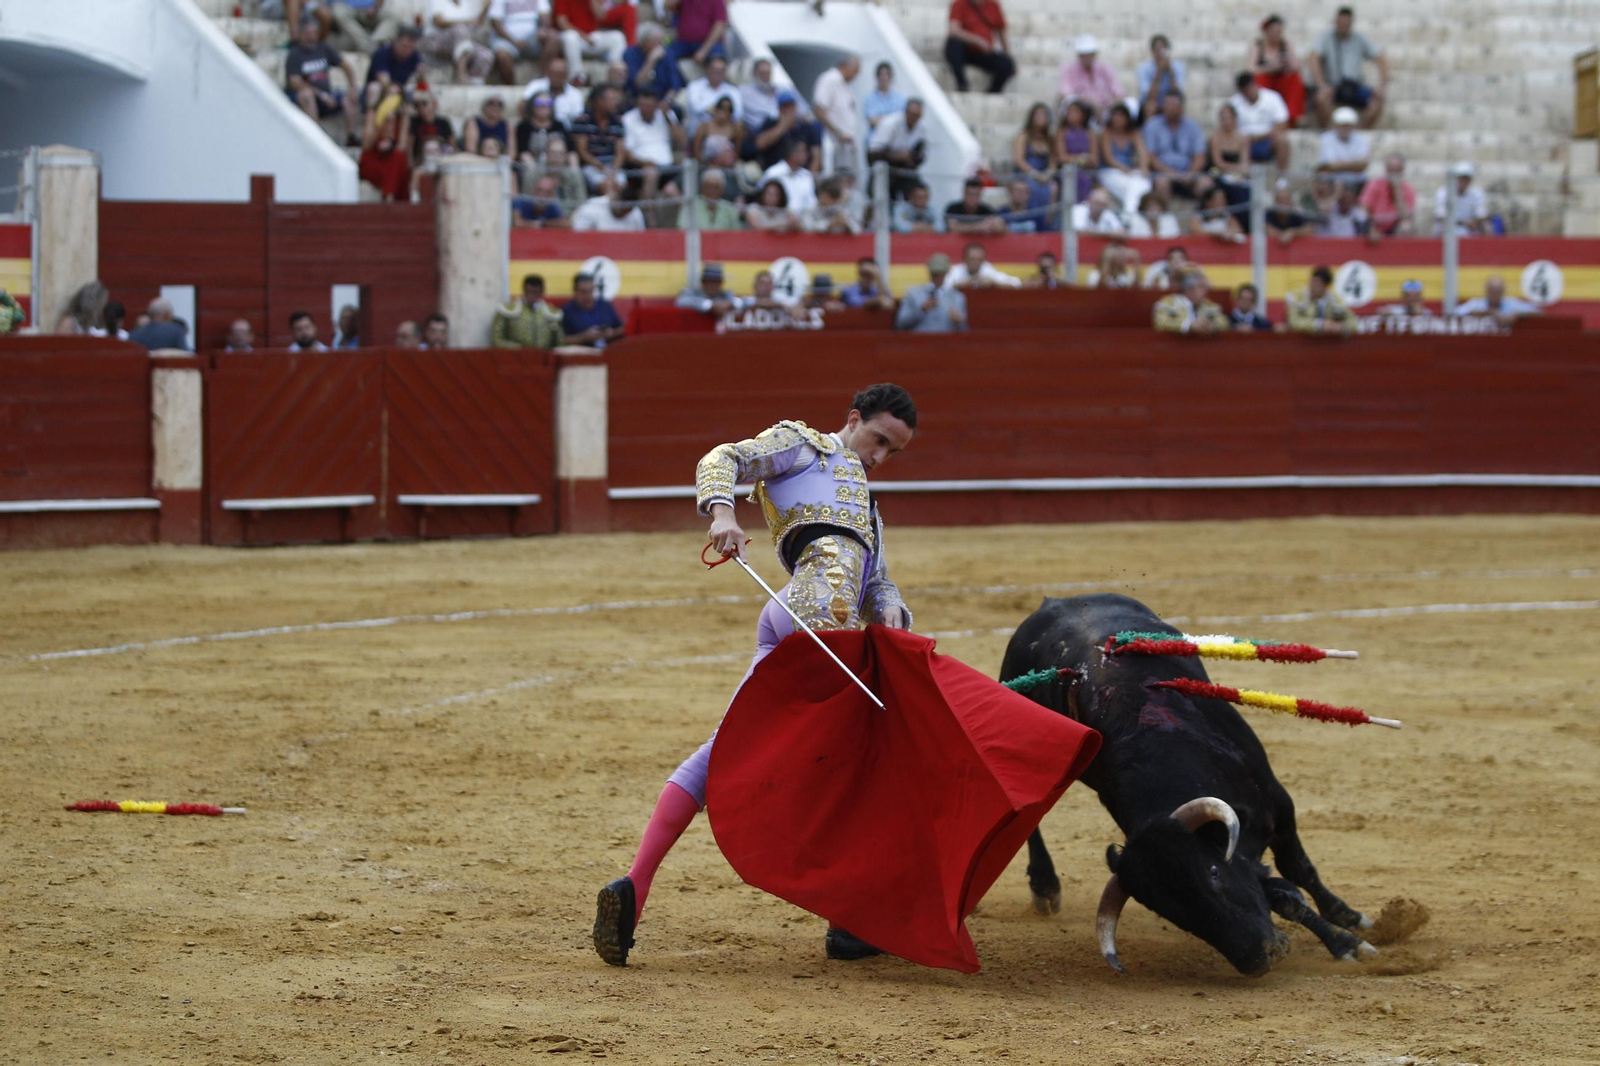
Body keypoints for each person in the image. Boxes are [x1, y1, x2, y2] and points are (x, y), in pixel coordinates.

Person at [592, 384, 919, 967]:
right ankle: (849, 919)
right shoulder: (804, 446)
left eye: (894, 451)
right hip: (811, 616)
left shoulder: (867, 502)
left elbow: (875, 579)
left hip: (804, 615)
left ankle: (634, 887)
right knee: (859, 763)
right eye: (879, 440)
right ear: (854, 420)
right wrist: (723, 512)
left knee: (727, 748)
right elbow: (722, 457)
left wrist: (891, 608)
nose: (880, 457)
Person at [1309, 5, 1388, 128]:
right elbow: (1313, 59)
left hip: (1355, 86)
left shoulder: (1360, 38)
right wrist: (1321, 84)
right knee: (1320, 98)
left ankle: (1361, 131)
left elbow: (1380, 58)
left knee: (1379, 98)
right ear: (1336, 22)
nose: (1344, 26)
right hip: (1334, 86)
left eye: (1347, 23)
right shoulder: (1325, 37)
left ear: (1351, 23)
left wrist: (1382, 84)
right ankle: (1330, 132)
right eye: (1341, 23)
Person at [286, 17, 360, 143]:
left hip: (327, 97)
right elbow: (295, 82)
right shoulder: (295, 54)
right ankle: (317, 135)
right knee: (306, 94)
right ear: (301, 34)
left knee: (349, 97)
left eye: (314, 33)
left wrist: (352, 87)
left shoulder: (324, 48)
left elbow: (346, 67)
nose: (311, 37)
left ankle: (351, 135)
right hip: (307, 98)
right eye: (308, 33)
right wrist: (321, 94)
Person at [622, 86, 684, 216]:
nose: (644, 109)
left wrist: (667, 117)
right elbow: (627, 154)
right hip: (639, 168)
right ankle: (649, 218)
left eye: (649, 105)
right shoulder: (628, 118)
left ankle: (682, 228)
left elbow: (681, 142)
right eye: (641, 105)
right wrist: (645, 163)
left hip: (667, 167)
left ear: (656, 105)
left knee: (673, 192)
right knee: (651, 173)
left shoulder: (667, 115)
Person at [1142, 89, 1210, 203]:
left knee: (1206, 183)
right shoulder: (1152, 125)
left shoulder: (1192, 126)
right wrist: (1169, 173)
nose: (1168, 108)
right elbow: (1151, 156)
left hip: (1188, 173)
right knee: (1161, 182)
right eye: (1166, 104)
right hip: (1163, 172)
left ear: (1181, 107)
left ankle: (1202, 218)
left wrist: (1190, 174)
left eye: (1172, 105)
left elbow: (1200, 156)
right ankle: (1166, 219)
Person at [944, 0, 1015, 93]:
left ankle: (993, 91)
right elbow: (953, 31)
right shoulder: (959, 4)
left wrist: (1007, 55)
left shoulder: (993, 6)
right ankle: (962, 83)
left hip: (984, 53)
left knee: (1006, 63)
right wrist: (977, 41)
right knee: (953, 44)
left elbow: (1001, 32)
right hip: (965, 50)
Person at [552, 0, 631, 83]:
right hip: (571, 38)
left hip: (590, 37)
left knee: (617, 37)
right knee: (570, 37)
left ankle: (614, 73)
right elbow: (562, 23)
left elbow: (601, 16)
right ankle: (576, 77)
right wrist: (585, 37)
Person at [420, 0, 494, 86]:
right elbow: (438, 21)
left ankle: (474, 83)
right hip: (435, 40)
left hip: (461, 43)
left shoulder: (466, 4)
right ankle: (461, 75)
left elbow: (476, 23)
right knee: (460, 30)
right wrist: (465, 23)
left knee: (485, 55)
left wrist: (485, 8)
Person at [1248, 15, 1305, 125]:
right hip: (1266, 81)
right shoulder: (1258, 46)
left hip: (1281, 81)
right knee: (1258, 79)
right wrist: (1269, 68)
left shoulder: (1286, 45)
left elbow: (1296, 67)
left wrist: (1286, 65)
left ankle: (1292, 116)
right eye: (1273, 31)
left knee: (1295, 79)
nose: (1276, 35)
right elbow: (1250, 69)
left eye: (1279, 31)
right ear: (1266, 31)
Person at [867, 98, 928, 201]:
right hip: (885, 167)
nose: (913, 118)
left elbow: (922, 154)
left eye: (917, 115)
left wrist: (911, 158)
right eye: (911, 114)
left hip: (906, 169)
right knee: (878, 197)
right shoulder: (890, 123)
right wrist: (895, 156)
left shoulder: (921, 127)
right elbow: (872, 152)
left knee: (918, 191)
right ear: (905, 112)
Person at [1096, 103, 1152, 211]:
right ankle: (1131, 216)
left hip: (1128, 173)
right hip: (1109, 172)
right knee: (1134, 187)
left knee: (1145, 183)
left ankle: (1129, 214)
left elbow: (1142, 153)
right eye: (1115, 116)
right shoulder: (1106, 133)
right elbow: (1109, 159)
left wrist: (1144, 167)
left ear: (1127, 118)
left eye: (1121, 116)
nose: (1117, 119)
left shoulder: (1133, 133)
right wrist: (1126, 170)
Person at [1229, 72, 1289, 170]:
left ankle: (1281, 180)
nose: (1249, 93)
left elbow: (1282, 124)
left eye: (1250, 88)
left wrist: (1260, 136)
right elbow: (1228, 126)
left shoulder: (1273, 97)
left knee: (1282, 140)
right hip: (1243, 141)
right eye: (1245, 91)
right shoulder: (1234, 102)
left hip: (1267, 139)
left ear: (1255, 84)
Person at [571, 85, 627, 191]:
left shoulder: (618, 121)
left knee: (621, 187)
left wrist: (613, 171)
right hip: (591, 166)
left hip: (613, 166)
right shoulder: (582, 121)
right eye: (612, 99)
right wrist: (601, 168)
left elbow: (620, 152)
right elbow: (582, 151)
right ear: (599, 101)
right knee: (606, 186)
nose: (616, 102)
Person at [359, 91, 413, 200]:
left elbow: (401, 147)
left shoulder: (401, 118)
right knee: (397, 160)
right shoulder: (374, 114)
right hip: (373, 162)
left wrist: (404, 117)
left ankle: (390, 196)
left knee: (399, 158)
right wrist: (381, 122)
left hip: (391, 161)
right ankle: (389, 197)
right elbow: (367, 145)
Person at [487, 0, 555, 87]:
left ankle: (543, 83)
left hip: (532, 38)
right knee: (502, 56)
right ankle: (512, 87)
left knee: (552, 38)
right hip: (506, 40)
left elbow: (545, 16)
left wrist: (543, 29)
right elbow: (495, 22)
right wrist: (514, 42)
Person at [1059, 35, 1123, 122]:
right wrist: (1089, 101)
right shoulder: (1069, 69)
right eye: (1084, 54)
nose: (1087, 57)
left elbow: (1119, 93)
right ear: (1079, 55)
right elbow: (1065, 94)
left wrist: (1106, 104)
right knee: (1071, 104)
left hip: (1105, 108)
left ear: (1094, 54)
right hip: (1081, 108)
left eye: (1090, 54)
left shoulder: (1105, 68)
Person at [896, 254, 967, 332]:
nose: (937, 276)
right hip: (918, 342)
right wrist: (921, 310)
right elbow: (900, 323)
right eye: (935, 273)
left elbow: (964, 331)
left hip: (946, 342)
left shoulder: (957, 297)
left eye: (940, 273)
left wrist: (959, 322)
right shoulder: (913, 293)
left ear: (946, 272)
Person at [812, 56, 863, 165]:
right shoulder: (829, 79)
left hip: (847, 144)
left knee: (849, 178)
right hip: (835, 142)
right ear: (847, 66)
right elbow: (819, 110)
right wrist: (838, 133)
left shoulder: (845, 85)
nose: (857, 74)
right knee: (839, 179)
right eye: (856, 70)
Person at [1012, 103, 1059, 222]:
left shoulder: (1049, 139)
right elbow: (1019, 160)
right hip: (1026, 174)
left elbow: (1053, 162)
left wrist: (1048, 174)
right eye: (1037, 114)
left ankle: (1048, 223)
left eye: (1044, 115)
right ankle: (1033, 221)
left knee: (1053, 188)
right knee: (1031, 188)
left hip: (1044, 175)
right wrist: (1035, 174)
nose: (1040, 117)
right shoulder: (1023, 136)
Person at [753, 91, 821, 172]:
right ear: (779, 109)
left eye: (791, 107)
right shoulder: (770, 124)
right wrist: (783, 126)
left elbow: (816, 155)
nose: (788, 111)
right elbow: (759, 144)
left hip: (801, 174)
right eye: (785, 107)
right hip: (775, 173)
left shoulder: (806, 128)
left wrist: (810, 178)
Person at [493, 273, 565, 348]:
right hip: (514, 357)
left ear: (542, 292)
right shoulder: (507, 310)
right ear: (524, 290)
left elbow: (560, 342)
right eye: (529, 291)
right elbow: (496, 339)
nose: (532, 296)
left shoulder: (552, 313)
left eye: (535, 292)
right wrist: (519, 349)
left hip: (543, 357)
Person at [624, 23, 684, 108]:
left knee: (677, 110)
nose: (660, 45)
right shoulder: (630, 54)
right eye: (657, 41)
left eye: (661, 41)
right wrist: (651, 60)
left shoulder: (666, 53)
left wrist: (666, 101)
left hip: (663, 100)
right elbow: (637, 83)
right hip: (639, 100)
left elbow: (674, 84)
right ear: (644, 42)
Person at [363, 25, 422, 110]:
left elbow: (421, 82)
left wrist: (421, 74)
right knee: (376, 89)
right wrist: (396, 90)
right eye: (404, 46)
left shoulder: (414, 56)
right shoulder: (382, 53)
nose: (407, 50)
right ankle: (370, 121)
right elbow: (384, 81)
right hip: (379, 92)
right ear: (395, 42)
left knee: (414, 95)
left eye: (411, 47)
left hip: (399, 91)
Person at [562, 271, 625, 348]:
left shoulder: (604, 306)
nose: (588, 296)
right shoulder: (567, 311)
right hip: (582, 354)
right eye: (583, 292)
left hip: (609, 350)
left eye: (591, 291)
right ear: (575, 291)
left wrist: (612, 333)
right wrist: (583, 338)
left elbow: (623, 329)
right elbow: (560, 340)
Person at [1286, 265, 1355, 335]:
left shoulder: (1336, 301)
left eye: (1317, 283)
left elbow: (1354, 322)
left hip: (1329, 343)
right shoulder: (1297, 297)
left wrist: (1341, 327)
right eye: (1312, 282)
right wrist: (1318, 325)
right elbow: (1293, 322)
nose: (1312, 286)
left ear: (1325, 286)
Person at [1153, 270, 1228, 334]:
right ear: (1189, 290)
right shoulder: (1169, 303)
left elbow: (1224, 322)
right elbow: (1160, 323)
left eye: (1204, 287)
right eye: (1200, 287)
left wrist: (1212, 326)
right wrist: (1189, 325)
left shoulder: (1209, 305)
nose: (1205, 291)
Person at [1360, 153, 1416, 236]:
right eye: (1390, 168)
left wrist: (1397, 191)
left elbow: (1407, 217)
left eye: (1396, 169)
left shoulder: (1407, 189)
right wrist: (1371, 227)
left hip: (1394, 228)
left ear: (1402, 169)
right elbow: (1363, 209)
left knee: (1406, 227)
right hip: (1374, 226)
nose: (1393, 172)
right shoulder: (1375, 185)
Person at [684, 55, 742, 135]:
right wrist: (723, 110)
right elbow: (696, 109)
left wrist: (711, 110)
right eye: (715, 70)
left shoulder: (733, 91)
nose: (718, 73)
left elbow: (737, 113)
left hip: (725, 132)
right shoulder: (694, 86)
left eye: (721, 70)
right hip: (700, 132)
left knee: (739, 126)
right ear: (707, 69)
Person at [1135, 33, 1186, 124]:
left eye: (1163, 48)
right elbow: (1149, 96)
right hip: (1153, 104)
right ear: (1152, 51)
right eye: (1157, 49)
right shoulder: (1143, 68)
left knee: (1177, 106)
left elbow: (1177, 94)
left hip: (1171, 103)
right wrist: (1159, 72)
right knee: (1150, 106)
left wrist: (1170, 72)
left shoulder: (1177, 67)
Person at [664, 0, 729, 71]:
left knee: (718, 62)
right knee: (664, 56)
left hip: (709, 44)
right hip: (684, 42)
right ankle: (674, 82)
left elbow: (719, 26)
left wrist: (704, 51)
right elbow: (666, 6)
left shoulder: (716, 1)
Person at [522, 55, 586, 125]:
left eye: (560, 74)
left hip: (565, 132)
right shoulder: (536, 85)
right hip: (537, 129)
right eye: (553, 74)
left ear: (566, 75)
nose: (556, 78)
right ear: (548, 73)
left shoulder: (575, 94)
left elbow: (578, 117)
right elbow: (522, 105)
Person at [1316, 107, 1371, 188]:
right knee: (1322, 178)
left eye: (1348, 125)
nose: (1345, 128)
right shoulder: (1326, 138)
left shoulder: (1361, 139)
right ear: (1335, 125)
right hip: (1333, 181)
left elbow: (1363, 164)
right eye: (1342, 125)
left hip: (1356, 181)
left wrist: (1338, 165)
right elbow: (1329, 165)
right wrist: (1354, 165)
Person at [761, 140, 819, 215]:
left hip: (802, 222)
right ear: (793, 154)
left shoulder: (807, 176)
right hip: (777, 219)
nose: (806, 155)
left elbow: (811, 203)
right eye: (803, 152)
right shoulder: (773, 173)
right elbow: (761, 199)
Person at [1055, 99, 1096, 205]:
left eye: (1075, 111)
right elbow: (1062, 157)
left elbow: (1094, 159)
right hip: (1067, 172)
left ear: (1083, 115)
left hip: (1086, 172)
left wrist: (1076, 159)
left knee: (1085, 179)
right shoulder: (1062, 133)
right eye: (1069, 111)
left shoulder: (1089, 134)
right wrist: (1082, 159)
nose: (1071, 115)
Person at [1453, 275, 1540, 325]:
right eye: (1492, 291)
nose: (1495, 294)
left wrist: (1518, 315)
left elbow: (1538, 313)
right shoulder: (1477, 304)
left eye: (1498, 291)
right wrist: (1487, 313)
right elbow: (1455, 313)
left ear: (1503, 292)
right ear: (1486, 291)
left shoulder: (1511, 304)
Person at [1435, 161, 1491, 236]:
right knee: (1440, 227)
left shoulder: (1477, 193)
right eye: (1460, 178)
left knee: (1487, 227)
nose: (1463, 181)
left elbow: (1481, 214)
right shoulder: (1443, 192)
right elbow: (1440, 215)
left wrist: (1475, 222)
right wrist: (1463, 223)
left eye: (1466, 178)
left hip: (1470, 230)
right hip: (1448, 229)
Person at [330, 0, 403, 54]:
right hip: (346, 7)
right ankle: (367, 46)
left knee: (393, 17)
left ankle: (375, 43)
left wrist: (375, 7)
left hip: (370, 10)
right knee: (338, 12)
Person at [572, 178, 646, 231]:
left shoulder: (636, 213)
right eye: (621, 210)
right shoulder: (592, 207)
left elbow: (640, 239)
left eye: (627, 212)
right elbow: (578, 233)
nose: (623, 214)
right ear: (615, 198)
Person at [676, 262, 745, 317]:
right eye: (710, 281)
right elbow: (681, 301)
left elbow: (746, 301)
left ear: (721, 283)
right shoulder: (692, 293)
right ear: (703, 282)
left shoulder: (726, 294)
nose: (713, 286)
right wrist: (711, 305)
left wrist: (731, 304)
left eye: (716, 282)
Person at [691, 96, 744, 166]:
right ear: (716, 109)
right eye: (721, 107)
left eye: (728, 109)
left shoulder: (735, 129)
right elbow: (696, 152)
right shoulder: (704, 127)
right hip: (706, 165)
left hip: (727, 167)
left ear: (731, 113)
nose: (724, 111)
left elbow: (737, 153)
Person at [944, 241, 1020, 289]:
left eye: (979, 259)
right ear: (965, 260)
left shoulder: (987, 269)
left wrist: (994, 283)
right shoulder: (956, 271)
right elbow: (944, 288)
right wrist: (969, 282)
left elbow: (1016, 283)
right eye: (972, 259)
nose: (975, 262)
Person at [409, 92, 456, 163]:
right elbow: (409, 148)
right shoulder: (414, 123)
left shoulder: (443, 123)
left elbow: (452, 146)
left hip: (442, 160)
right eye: (417, 105)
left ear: (434, 104)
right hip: (421, 161)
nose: (421, 108)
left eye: (424, 103)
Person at [863, 62, 906, 130]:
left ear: (891, 77)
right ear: (877, 77)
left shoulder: (900, 98)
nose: (884, 78)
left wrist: (882, 119)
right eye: (881, 75)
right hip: (875, 139)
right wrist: (892, 119)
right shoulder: (870, 99)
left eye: (887, 75)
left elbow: (903, 121)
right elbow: (872, 121)